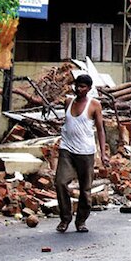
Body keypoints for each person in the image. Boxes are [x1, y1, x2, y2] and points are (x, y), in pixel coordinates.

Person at [54, 73, 109, 234]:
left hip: (86, 152)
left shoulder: (94, 105)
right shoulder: (68, 102)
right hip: (67, 149)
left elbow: (100, 130)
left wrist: (103, 153)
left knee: (85, 188)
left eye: (83, 87)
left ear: (89, 89)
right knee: (60, 182)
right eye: (77, 86)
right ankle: (65, 218)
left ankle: (81, 220)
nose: (79, 89)